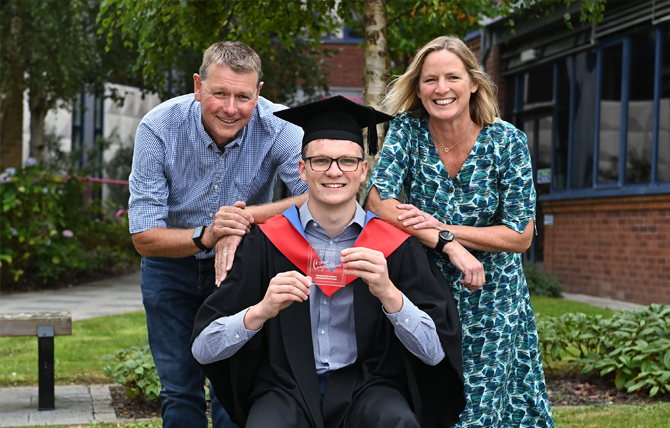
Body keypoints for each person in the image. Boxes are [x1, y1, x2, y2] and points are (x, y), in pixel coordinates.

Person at [191, 96, 465, 428]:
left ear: (363, 171)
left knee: (396, 422)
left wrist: (390, 294)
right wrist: (260, 311)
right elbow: (204, 349)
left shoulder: (396, 247)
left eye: (348, 161)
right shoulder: (265, 243)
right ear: (302, 169)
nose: (334, 171)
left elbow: (435, 353)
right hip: (285, 388)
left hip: (369, 385)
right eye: (320, 160)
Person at [364, 36, 555, 427]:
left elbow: (520, 234)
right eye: (430, 79)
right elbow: (377, 202)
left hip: (493, 294)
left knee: (486, 407)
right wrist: (444, 243)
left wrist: (446, 228)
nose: (441, 88)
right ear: (417, 88)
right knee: (435, 396)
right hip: (426, 290)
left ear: (473, 83)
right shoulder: (408, 131)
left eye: (452, 77)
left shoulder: (508, 142)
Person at [128, 41, 309, 428]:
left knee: (234, 388)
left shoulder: (280, 126)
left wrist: (243, 219)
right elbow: (144, 235)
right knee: (179, 391)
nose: (231, 108)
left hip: (239, 267)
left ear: (258, 93)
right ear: (198, 86)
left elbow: (318, 195)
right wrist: (208, 234)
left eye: (243, 96)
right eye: (219, 93)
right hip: (168, 269)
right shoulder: (158, 127)